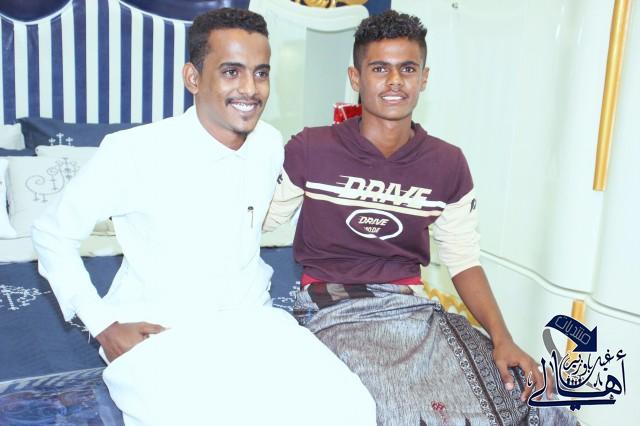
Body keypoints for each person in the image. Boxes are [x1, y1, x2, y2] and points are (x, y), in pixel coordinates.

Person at [32, 8, 375, 426]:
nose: (250, 89)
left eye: (261, 73)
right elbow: (52, 233)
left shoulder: (269, 144)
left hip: (254, 320)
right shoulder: (135, 152)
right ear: (192, 78)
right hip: (163, 329)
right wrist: (103, 325)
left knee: (352, 406)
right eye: (231, 72)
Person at [264, 10, 579, 425]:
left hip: (414, 311)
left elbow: (463, 260)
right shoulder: (310, 149)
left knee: (541, 399)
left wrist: (503, 339)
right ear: (356, 78)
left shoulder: (447, 164)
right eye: (380, 68)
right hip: (332, 308)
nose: (395, 81)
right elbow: (257, 221)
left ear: (424, 78)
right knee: (396, 413)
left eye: (407, 69)